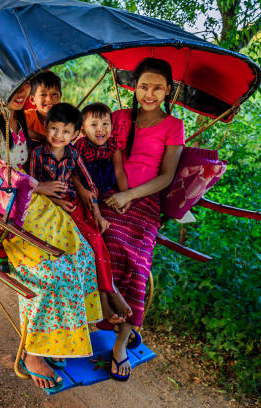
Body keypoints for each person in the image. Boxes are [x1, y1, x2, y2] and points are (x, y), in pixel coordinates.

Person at [0, 85, 104, 392]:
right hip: (7, 208)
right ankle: (33, 353)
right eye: (13, 86)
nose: (20, 93)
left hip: (34, 202)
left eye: (25, 86)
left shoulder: (22, 121)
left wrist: (60, 190)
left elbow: (62, 156)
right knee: (52, 270)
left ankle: (62, 338)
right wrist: (38, 187)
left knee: (82, 253)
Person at [91, 58, 185, 381]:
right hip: (110, 195)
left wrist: (129, 196)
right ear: (134, 86)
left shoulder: (174, 126)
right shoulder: (118, 119)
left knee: (138, 263)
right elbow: (101, 152)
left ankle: (120, 343)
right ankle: (105, 315)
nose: (149, 93)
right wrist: (116, 193)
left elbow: (167, 175)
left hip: (144, 204)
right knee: (98, 242)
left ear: (168, 90)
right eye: (144, 86)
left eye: (157, 87)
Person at [28, 103, 127, 327]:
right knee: (85, 245)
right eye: (54, 129)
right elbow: (33, 185)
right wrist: (56, 201)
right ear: (45, 127)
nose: (58, 135)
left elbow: (89, 186)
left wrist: (99, 215)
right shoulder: (37, 154)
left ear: (75, 135)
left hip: (76, 205)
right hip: (52, 206)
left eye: (66, 131)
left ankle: (109, 292)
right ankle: (105, 298)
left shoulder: (73, 153)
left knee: (98, 240)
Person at [73, 102, 133, 323]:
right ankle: (104, 296)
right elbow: (74, 176)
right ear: (82, 128)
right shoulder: (78, 147)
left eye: (106, 124)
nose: (101, 129)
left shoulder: (113, 145)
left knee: (120, 232)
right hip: (86, 194)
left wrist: (125, 195)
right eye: (94, 124)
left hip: (105, 190)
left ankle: (111, 293)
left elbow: (119, 170)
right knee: (94, 236)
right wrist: (86, 194)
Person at [24, 71, 62, 144]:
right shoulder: (27, 117)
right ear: (32, 99)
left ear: (60, 96)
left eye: (54, 94)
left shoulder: (65, 119)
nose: (49, 99)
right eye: (43, 95)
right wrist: (43, 138)